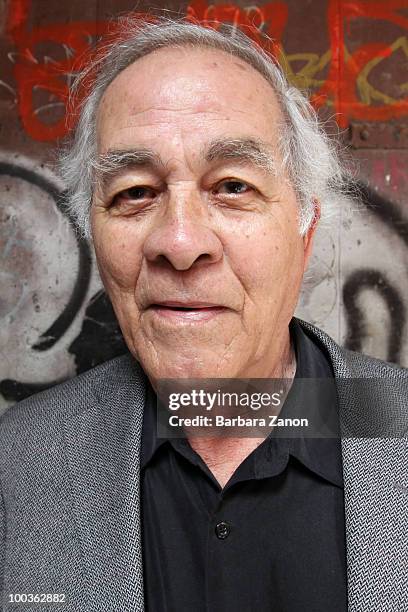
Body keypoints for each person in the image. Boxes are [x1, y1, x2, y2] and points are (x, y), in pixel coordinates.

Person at [0, 16, 407, 612]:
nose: (181, 242)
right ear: (93, 229)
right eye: (134, 192)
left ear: (306, 232)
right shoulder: (17, 465)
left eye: (234, 186)